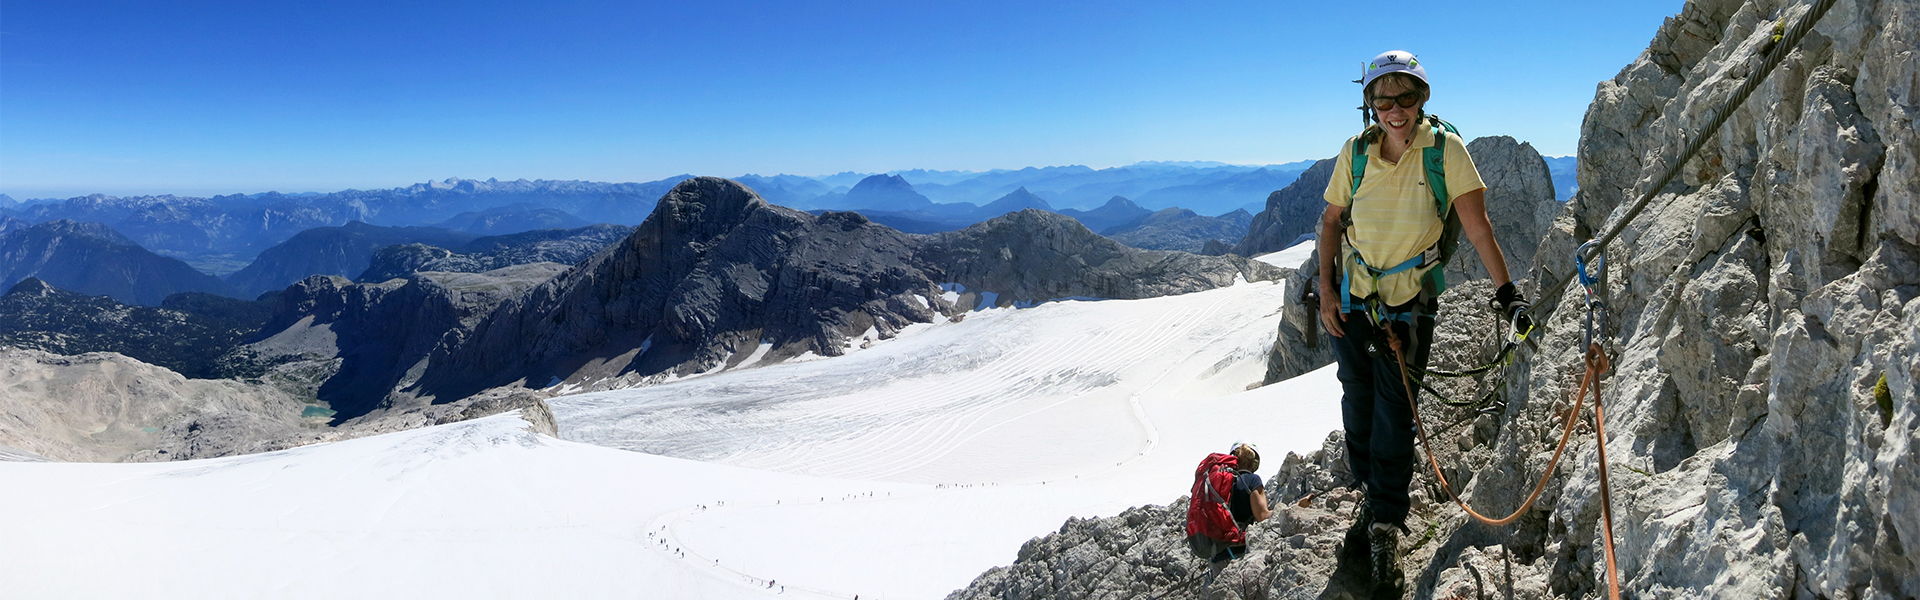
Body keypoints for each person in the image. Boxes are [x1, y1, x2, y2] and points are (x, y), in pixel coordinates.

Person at [1316, 50, 1530, 595]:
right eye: (1383, 98)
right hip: (1353, 301)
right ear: (1370, 104)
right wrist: (1324, 291)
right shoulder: (1355, 154)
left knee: (1394, 413)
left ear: (1422, 100)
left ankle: (1384, 526)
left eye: (1404, 97)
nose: (1394, 109)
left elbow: (1477, 227)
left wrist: (1506, 292)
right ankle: (1373, 496)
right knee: (1357, 404)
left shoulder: (1445, 151)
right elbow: (1331, 221)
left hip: (1408, 310)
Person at [1197, 442, 1271, 589]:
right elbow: (1262, 516)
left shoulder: (1219, 483)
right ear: (1254, 462)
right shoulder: (1252, 480)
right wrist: (1288, 510)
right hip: (1240, 553)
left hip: (1217, 555)